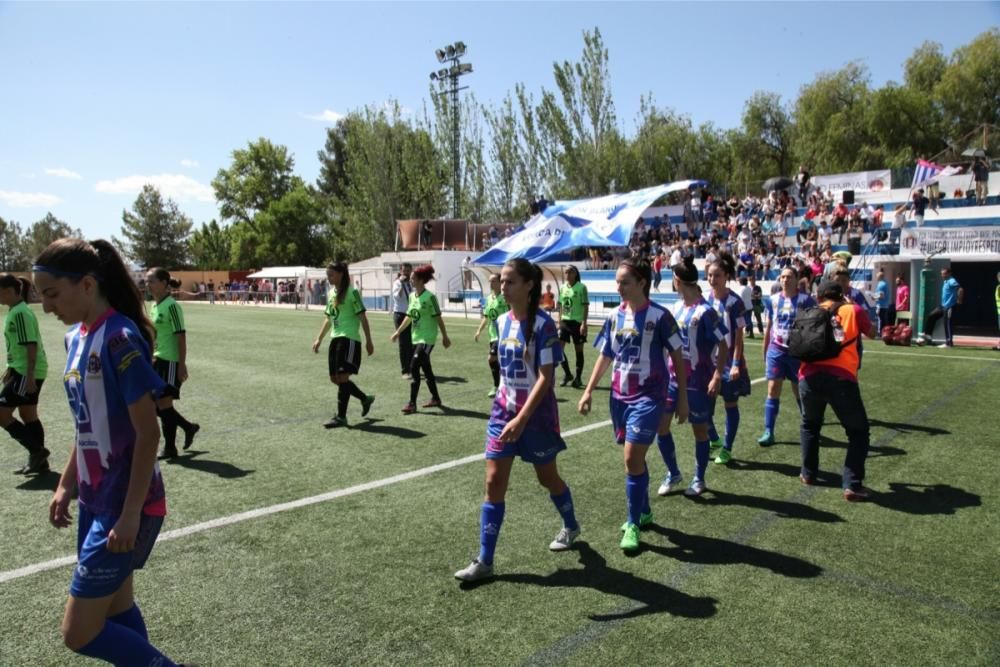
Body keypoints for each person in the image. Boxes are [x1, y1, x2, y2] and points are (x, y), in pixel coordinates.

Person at [33, 238, 187, 666]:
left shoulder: (120, 339)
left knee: (77, 632)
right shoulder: (74, 339)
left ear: (86, 284)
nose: (45, 306)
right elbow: (87, 424)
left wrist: (131, 513)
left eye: (51, 294)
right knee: (117, 611)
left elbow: (148, 433)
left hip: (125, 506)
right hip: (96, 502)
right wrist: (66, 484)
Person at [455, 259, 580, 581]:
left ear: (528, 285)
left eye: (510, 282)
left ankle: (571, 524)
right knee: (494, 482)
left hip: (535, 418)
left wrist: (522, 419)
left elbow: (546, 377)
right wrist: (505, 405)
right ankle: (485, 561)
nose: (503, 287)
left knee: (547, 479)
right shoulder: (500, 320)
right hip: (502, 413)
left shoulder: (544, 325)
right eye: (503, 282)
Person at [578, 259, 687, 552]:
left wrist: (683, 398)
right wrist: (588, 391)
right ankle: (645, 511)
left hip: (650, 397)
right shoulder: (614, 316)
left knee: (630, 458)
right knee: (635, 460)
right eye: (617, 282)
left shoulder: (660, 316)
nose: (618, 287)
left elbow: (677, 356)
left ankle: (633, 524)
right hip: (618, 397)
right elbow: (605, 355)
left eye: (624, 281)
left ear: (641, 282)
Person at [655, 257, 727, 498]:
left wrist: (717, 375)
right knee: (661, 427)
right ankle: (673, 472)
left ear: (677, 281)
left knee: (700, 431)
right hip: (671, 380)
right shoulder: (675, 309)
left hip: (698, 381)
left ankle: (699, 478)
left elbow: (723, 344)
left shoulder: (706, 312)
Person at [798, 279, 874, 501]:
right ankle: (852, 484)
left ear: (819, 297)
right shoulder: (853, 310)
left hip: (808, 376)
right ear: (841, 295)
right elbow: (872, 333)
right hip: (841, 377)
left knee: (810, 425)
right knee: (858, 432)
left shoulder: (809, 311)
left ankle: (808, 472)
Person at [312, 262, 375, 428]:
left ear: (340, 274)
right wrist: (319, 338)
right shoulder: (331, 292)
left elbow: (363, 317)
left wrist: (369, 340)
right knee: (334, 378)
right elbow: (329, 318)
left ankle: (341, 417)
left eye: (331, 274)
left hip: (349, 339)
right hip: (335, 339)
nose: (329, 278)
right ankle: (364, 398)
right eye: (328, 275)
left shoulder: (352, 293)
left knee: (342, 377)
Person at [758, 266, 816, 446]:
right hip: (777, 350)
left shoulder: (806, 300)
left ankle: (809, 425)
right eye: (782, 277)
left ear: (797, 279)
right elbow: (769, 326)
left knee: (799, 390)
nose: (785, 280)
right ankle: (769, 431)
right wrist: (765, 349)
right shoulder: (773, 300)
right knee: (773, 388)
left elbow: (812, 328)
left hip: (797, 352)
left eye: (789, 276)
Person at [145, 268, 199, 460]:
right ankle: (188, 427)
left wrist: (181, 365)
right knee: (156, 406)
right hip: (157, 360)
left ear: (164, 283)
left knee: (164, 404)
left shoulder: (172, 306)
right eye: (146, 281)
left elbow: (181, 336)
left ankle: (170, 448)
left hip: (170, 362)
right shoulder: (153, 306)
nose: (147, 285)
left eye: (151, 281)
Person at [0, 274, 49, 475]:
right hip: (20, 369)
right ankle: (40, 463)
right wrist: (10, 367)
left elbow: (30, 345)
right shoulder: (16, 311)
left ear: (10, 291)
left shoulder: (20, 313)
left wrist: (28, 376)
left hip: (27, 371)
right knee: (28, 414)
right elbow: (17, 345)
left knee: (2, 414)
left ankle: (37, 452)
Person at [704, 254, 749, 465]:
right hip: (708, 361)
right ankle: (714, 439)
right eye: (710, 275)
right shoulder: (706, 300)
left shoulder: (735, 302)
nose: (713, 279)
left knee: (730, 404)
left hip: (729, 361)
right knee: (703, 405)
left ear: (726, 276)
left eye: (717, 275)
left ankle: (727, 448)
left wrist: (737, 364)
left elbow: (739, 336)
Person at [391, 264, 451, 412]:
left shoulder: (430, 297)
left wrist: (444, 336)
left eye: (413, 278)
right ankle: (436, 398)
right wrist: (398, 332)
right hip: (415, 338)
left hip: (427, 339)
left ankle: (412, 403)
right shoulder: (412, 296)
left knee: (413, 367)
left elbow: (438, 318)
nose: (410, 280)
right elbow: (410, 316)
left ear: (420, 280)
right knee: (427, 369)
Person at [473, 274, 508, 398]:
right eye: (490, 281)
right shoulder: (489, 299)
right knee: (500, 361)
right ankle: (503, 385)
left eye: (493, 281)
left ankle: (497, 385)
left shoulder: (505, 298)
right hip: (492, 335)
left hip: (504, 335)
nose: (491, 283)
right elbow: (486, 317)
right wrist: (478, 331)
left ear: (500, 282)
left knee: (491, 359)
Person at [557, 265, 589, 388]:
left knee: (579, 351)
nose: (567, 274)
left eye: (570, 272)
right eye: (566, 272)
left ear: (575, 274)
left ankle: (578, 378)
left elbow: (586, 306)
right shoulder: (562, 287)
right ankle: (568, 374)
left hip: (577, 323)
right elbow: (560, 306)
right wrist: (559, 322)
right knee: (558, 350)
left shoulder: (582, 288)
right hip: (565, 322)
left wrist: (584, 323)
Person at [921, 267, 963, 348]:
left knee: (947, 324)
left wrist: (959, 300)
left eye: (944, 274)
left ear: (949, 274)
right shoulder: (945, 281)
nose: (942, 275)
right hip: (943, 306)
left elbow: (960, 289)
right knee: (932, 315)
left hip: (949, 306)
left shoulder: (952, 281)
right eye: (942, 274)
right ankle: (928, 334)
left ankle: (949, 343)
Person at [391, 264, 414, 378]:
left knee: (411, 343)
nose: (406, 273)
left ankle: (411, 367)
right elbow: (397, 297)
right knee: (403, 343)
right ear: (401, 271)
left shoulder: (412, 283)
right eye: (404, 271)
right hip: (400, 314)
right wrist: (402, 284)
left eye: (408, 271)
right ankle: (405, 370)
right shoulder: (397, 283)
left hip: (411, 314)